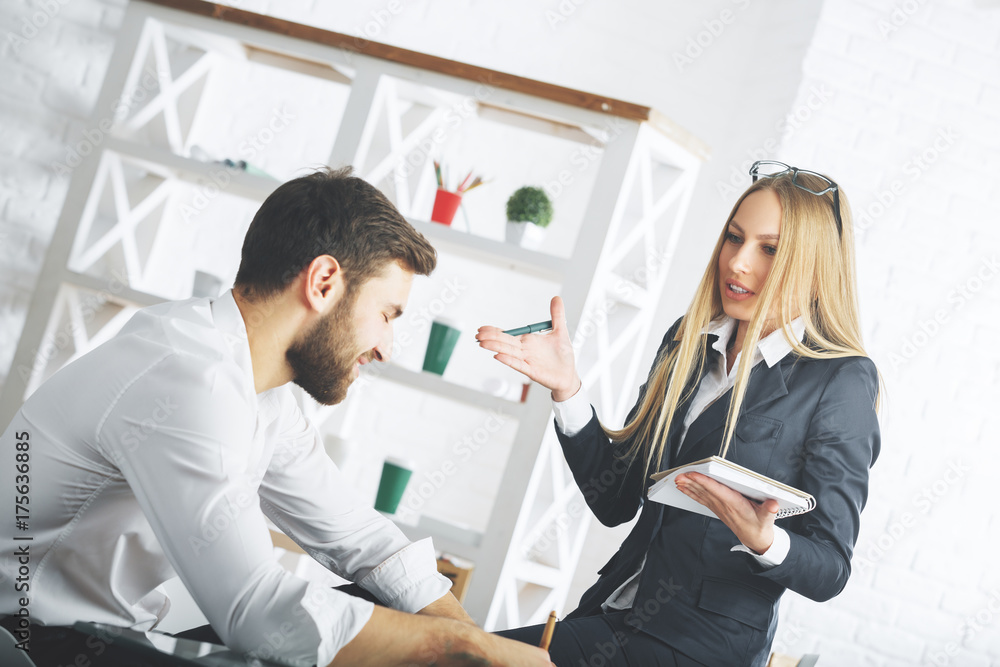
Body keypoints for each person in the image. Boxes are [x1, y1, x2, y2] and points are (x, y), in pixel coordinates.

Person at [0, 167, 551, 667]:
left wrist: (472, 637)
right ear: (323, 282)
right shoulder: (189, 378)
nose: (387, 348)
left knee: (383, 601)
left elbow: (360, 538)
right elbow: (253, 609)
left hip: (104, 634)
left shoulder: (260, 391)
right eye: (386, 314)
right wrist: (470, 649)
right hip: (33, 641)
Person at [477, 161, 881, 667]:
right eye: (734, 238)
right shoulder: (687, 340)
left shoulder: (839, 379)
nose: (738, 262)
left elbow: (830, 570)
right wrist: (567, 390)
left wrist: (764, 539)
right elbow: (616, 500)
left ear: (814, 265)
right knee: (442, 648)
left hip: (699, 647)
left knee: (456, 654)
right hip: (612, 616)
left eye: (770, 249)